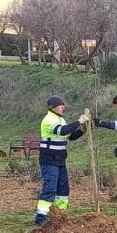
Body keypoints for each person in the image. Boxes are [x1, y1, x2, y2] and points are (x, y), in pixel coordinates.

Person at [35, 95, 90, 225]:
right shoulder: (48, 120)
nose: (63, 107)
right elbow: (62, 131)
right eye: (60, 105)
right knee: (50, 189)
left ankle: (60, 216)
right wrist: (79, 121)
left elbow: (70, 136)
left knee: (63, 190)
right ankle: (41, 219)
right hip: (49, 161)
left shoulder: (61, 119)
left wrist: (82, 130)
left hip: (60, 160)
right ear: (52, 107)